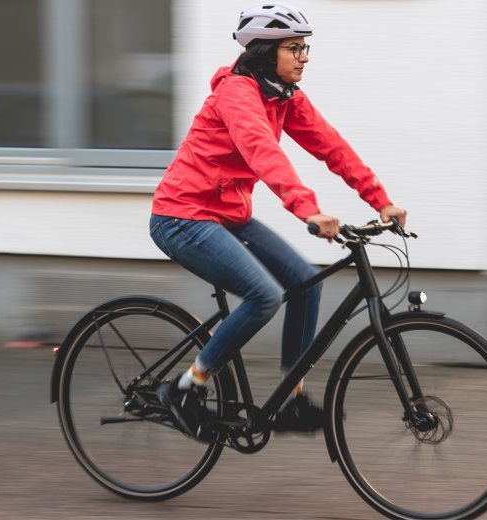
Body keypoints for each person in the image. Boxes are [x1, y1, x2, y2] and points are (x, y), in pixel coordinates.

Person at [149, 2, 407, 440]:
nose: (304, 57)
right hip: (182, 217)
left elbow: (333, 148)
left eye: (305, 48)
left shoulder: (285, 98)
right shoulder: (236, 94)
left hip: (228, 217)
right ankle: (184, 388)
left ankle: (292, 400)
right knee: (264, 296)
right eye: (294, 48)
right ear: (267, 52)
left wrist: (380, 199)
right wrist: (307, 210)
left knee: (306, 282)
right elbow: (261, 153)